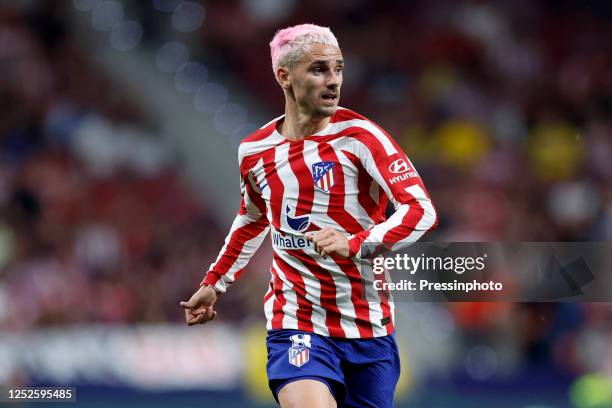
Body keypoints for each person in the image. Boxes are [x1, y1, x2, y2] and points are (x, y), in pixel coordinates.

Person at [181, 23, 438, 408]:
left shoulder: (362, 138)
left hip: (369, 329)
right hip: (297, 323)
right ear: (284, 76)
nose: (333, 80)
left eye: (338, 68)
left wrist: (356, 243)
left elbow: (422, 211)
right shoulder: (255, 152)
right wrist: (215, 282)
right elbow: (252, 219)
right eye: (319, 69)